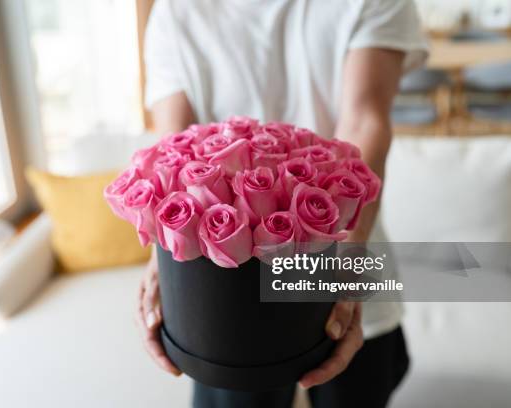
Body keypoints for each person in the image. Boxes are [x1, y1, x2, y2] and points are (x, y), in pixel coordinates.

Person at [136, 1, 428, 407]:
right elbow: (175, 152)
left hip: (341, 258)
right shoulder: (176, 11)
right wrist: (167, 261)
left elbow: (363, 122)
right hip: (226, 295)